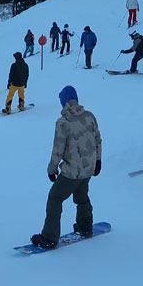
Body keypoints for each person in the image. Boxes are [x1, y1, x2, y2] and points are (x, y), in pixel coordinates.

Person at [30, 85, 101, 250]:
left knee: (55, 198)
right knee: (81, 196)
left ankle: (49, 237)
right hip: (88, 168)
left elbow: (58, 150)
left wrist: (52, 170)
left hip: (72, 171)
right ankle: (85, 227)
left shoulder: (63, 123)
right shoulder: (89, 116)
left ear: (63, 102)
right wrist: (98, 161)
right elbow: (97, 139)